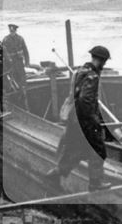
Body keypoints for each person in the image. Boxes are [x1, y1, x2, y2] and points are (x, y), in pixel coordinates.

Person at [47, 46, 112, 191]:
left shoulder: (80, 71)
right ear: (100, 60)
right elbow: (85, 99)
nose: (104, 65)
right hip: (85, 119)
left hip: (74, 118)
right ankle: (95, 182)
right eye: (104, 62)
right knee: (98, 149)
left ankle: (57, 172)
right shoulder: (92, 76)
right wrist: (93, 120)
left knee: (76, 149)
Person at [1, 24, 30, 109]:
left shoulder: (20, 39)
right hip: (10, 63)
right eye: (10, 31)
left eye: (13, 31)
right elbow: (2, 52)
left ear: (15, 31)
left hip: (19, 62)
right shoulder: (5, 39)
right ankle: (14, 96)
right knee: (12, 79)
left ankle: (23, 91)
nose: (12, 32)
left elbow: (25, 50)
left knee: (22, 78)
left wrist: (27, 62)